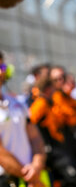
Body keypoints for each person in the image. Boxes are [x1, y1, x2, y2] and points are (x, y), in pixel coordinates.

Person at [0, 51, 46, 187]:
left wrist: (37, 166)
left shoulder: (17, 102)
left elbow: (35, 137)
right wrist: (33, 179)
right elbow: (1, 153)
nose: (0, 72)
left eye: (2, 67)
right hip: (7, 180)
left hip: (30, 177)